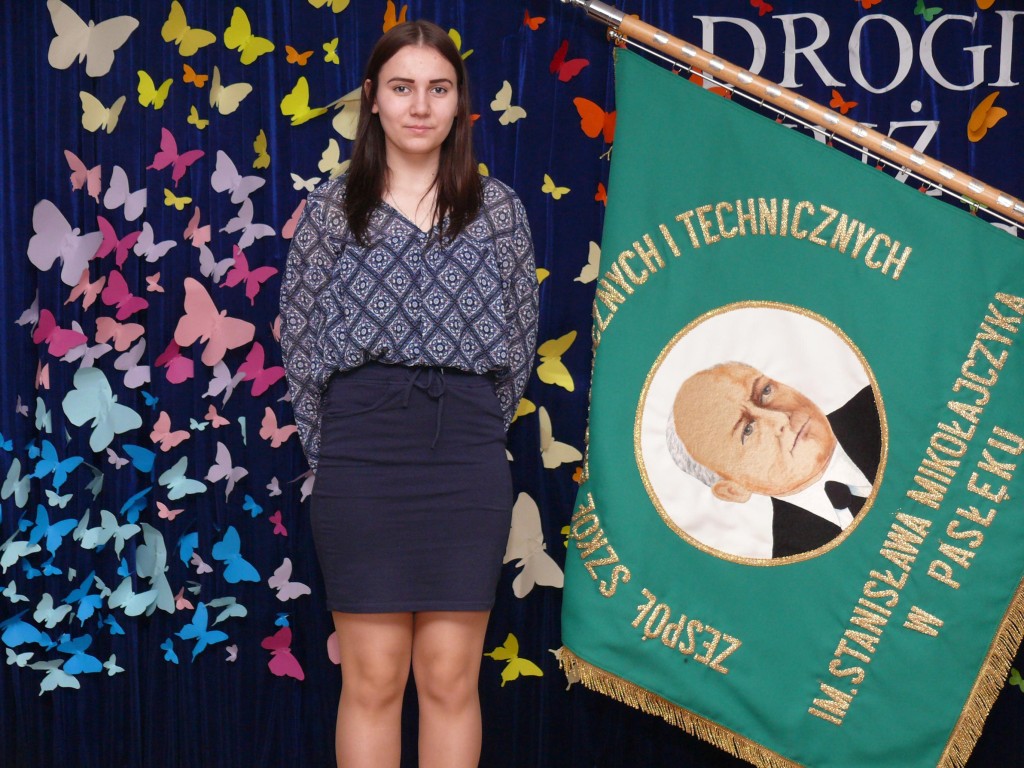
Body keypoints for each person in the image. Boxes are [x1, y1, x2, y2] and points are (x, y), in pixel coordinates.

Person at [279, 20, 538, 768]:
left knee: (452, 679)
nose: (420, 106)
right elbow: (301, 346)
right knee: (372, 679)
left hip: (466, 458)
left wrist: (468, 429)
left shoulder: (500, 211)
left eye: (438, 89)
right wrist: (341, 448)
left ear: (459, 102)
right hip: (361, 458)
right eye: (402, 88)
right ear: (373, 99)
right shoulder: (331, 211)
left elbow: (520, 344)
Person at [669, 362, 880, 557]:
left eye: (765, 391)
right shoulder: (793, 562)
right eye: (748, 430)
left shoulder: (882, 404)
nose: (781, 418)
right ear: (733, 490)